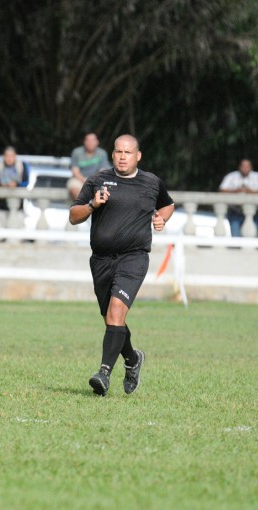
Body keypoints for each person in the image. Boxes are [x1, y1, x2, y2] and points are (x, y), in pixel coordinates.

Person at [69, 134, 174, 397]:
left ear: (138, 156)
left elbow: (168, 205)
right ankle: (133, 358)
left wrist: (161, 219)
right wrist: (93, 204)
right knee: (112, 318)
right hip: (101, 260)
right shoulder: (97, 181)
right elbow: (73, 215)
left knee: (116, 311)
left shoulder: (151, 182)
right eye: (118, 152)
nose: (123, 156)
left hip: (134, 258)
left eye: (128, 152)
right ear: (112, 154)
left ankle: (103, 373)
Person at [218, 158, 258, 236]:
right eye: (244, 166)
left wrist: (250, 191)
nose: (245, 168)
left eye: (248, 166)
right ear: (239, 167)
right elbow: (222, 190)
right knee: (236, 236)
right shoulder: (231, 176)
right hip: (235, 211)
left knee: (254, 236)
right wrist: (236, 191)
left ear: (251, 167)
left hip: (255, 212)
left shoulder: (256, 176)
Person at [67, 132, 111, 200]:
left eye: (93, 140)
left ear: (97, 142)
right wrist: (85, 180)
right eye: (88, 140)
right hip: (79, 179)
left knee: (104, 188)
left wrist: (94, 181)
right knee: (73, 188)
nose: (90, 143)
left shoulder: (102, 153)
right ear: (84, 142)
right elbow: (75, 171)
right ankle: (82, 206)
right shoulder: (76, 152)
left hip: (96, 179)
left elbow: (103, 170)